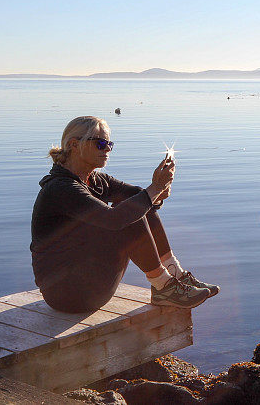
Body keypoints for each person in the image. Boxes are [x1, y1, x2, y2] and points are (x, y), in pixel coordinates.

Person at [30, 116, 219, 313]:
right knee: (126, 214)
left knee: (137, 202)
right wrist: (154, 189)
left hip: (92, 284)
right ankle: (163, 285)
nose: (107, 150)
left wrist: (159, 193)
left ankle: (174, 274)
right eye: (100, 143)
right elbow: (115, 219)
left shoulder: (96, 180)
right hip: (66, 295)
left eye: (109, 144)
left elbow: (139, 198)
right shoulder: (60, 188)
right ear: (74, 145)